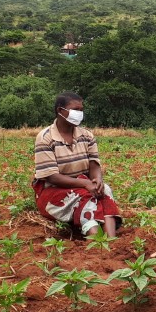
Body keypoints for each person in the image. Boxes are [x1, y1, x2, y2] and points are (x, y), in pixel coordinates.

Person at [32, 92, 121, 238]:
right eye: (75, 110)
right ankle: (97, 241)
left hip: (81, 184)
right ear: (60, 111)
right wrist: (85, 183)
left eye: (81, 110)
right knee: (86, 196)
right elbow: (51, 177)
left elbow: (94, 165)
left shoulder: (86, 135)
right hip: (53, 192)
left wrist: (97, 180)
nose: (80, 113)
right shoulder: (45, 138)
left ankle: (111, 239)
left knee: (104, 190)